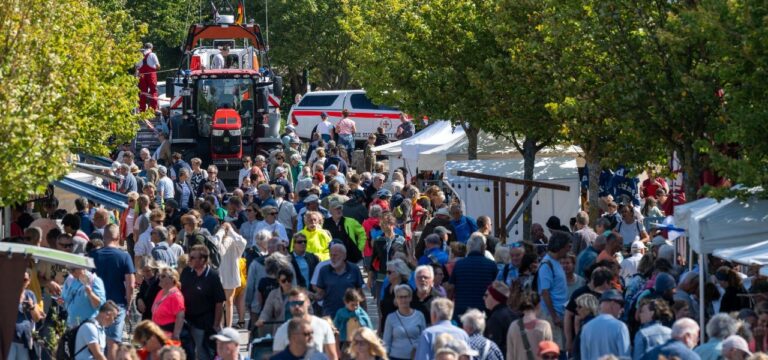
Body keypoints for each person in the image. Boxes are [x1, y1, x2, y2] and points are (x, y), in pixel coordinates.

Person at [89, 224, 135, 359]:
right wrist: (128, 303)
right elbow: (131, 285)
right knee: (112, 342)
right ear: (118, 237)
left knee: (95, 341)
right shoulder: (124, 256)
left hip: (96, 305)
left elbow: (85, 280)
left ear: (104, 237)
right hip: (117, 305)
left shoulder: (92, 255)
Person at [180, 244, 226, 360]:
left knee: (202, 354)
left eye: (192, 258)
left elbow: (219, 302)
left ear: (203, 260)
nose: (189, 260)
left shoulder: (213, 276)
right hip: (186, 321)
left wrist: (216, 324)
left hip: (204, 323)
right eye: (189, 257)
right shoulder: (186, 272)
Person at [272, 287, 339, 360]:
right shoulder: (282, 330)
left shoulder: (323, 325)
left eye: (300, 303)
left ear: (308, 302)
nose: (296, 306)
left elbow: (332, 356)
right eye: (293, 303)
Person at [449, 233, 497, 320]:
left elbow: (451, 287)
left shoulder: (459, 265)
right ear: (483, 248)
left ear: (468, 248)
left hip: (462, 311)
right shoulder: (491, 265)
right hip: (483, 311)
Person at [537, 231, 571, 347]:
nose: (568, 250)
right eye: (567, 246)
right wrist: (555, 316)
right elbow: (545, 292)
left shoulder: (554, 262)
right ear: (560, 247)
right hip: (551, 317)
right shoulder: (547, 264)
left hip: (558, 315)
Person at [317, 243, 365, 317]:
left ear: (344, 256)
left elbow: (360, 293)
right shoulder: (324, 270)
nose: (332, 258)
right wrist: (312, 296)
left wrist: (364, 314)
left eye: (335, 255)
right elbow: (321, 294)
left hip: (351, 315)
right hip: (330, 314)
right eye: (331, 255)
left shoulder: (354, 269)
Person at [580, 289, 631, 360]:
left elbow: (584, 357)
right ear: (612, 304)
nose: (622, 310)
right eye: (621, 305)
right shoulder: (620, 326)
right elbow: (625, 357)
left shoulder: (586, 327)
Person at [215, 222, 247, 328]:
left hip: (230, 275)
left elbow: (243, 242)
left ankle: (228, 327)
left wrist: (231, 230)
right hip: (218, 276)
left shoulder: (235, 243)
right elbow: (215, 245)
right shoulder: (216, 240)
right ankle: (220, 325)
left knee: (229, 302)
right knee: (219, 303)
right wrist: (221, 231)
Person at [383, 284, 426, 360]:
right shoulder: (390, 317)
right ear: (396, 299)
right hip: (395, 357)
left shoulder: (419, 315)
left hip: (415, 357)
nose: (403, 300)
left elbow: (423, 338)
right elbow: (386, 342)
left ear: (410, 298)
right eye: (400, 297)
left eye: (406, 297)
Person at [506, 291, 552, 360]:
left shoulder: (513, 326)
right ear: (538, 305)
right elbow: (550, 354)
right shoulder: (545, 326)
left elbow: (510, 355)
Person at [10, 271, 44, 360]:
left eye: (24, 279)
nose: (21, 281)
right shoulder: (8, 294)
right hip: (9, 340)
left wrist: (32, 307)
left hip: (24, 340)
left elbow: (37, 319)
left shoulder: (30, 295)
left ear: (29, 281)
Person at [151, 267, 186, 340]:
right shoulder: (161, 292)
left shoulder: (176, 295)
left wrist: (176, 335)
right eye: (159, 275)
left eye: (163, 276)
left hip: (168, 334)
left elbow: (180, 316)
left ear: (172, 279)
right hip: (157, 332)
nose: (160, 278)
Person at [484, 281, 516, 355]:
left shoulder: (495, 319)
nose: (483, 298)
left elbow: (493, 347)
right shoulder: (513, 314)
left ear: (494, 297)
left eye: (486, 295)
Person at [136, 42, 160, 111]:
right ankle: (153, 109)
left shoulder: (140, 55)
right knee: (153, 91)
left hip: (142, 75)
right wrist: (157, 67)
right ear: (151, 48)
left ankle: (141, 109)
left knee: (142, 92)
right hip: (151, 75)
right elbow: (158, 66)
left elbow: (137, 67)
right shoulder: (152, 54)